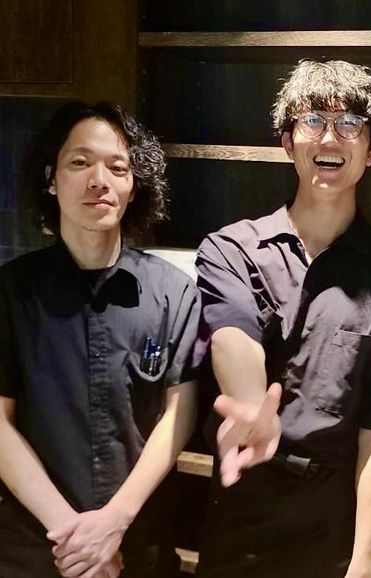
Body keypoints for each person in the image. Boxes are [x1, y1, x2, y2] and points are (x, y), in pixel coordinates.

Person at [194, 60, 371, 578]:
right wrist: (252, 406)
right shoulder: (231, 249)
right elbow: (233, 335)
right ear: (288, 142)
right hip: (244, 498)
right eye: (312, 121)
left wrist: (366, 561)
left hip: (335, 517)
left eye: (349, 124)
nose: (330, 136)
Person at [0, 102, 199, 578]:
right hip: (36, 551)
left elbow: (180, 413)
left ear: (134, 187)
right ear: (51, 179)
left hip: (138, 547)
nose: (99, 180)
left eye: (117, 168)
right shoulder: (9, 292)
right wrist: (76, 538)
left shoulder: (173, 293)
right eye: (80, 162)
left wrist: (113, 523)